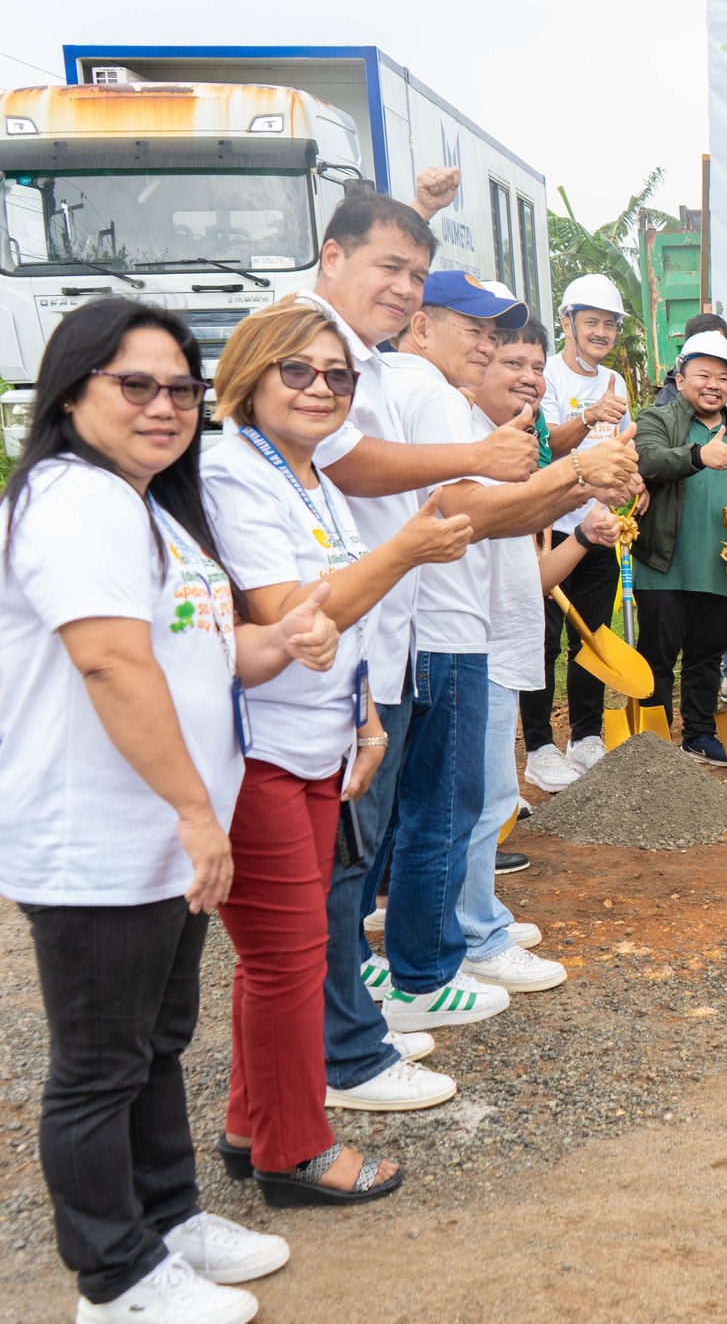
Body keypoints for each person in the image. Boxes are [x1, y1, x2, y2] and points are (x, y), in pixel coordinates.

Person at [1, 299, 330, 1320]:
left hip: (167, 838)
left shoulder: (143, 505)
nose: (164, 406)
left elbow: (196, 647)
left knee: (155, 1044)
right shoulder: (74, 501)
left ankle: (170, 1218)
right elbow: (107, 659)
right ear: (69, 392)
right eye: (134, 384)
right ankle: (114, 1277)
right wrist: (197, 811)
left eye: (180, 387)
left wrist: (282, 644)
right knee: (100, 1065)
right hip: (100, 832)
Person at [200, 302, 474, 1208]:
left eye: (338, 376)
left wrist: (363, 716)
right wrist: (403, 549)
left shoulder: (310, 477)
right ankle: (294, 1149)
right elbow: (291, 610)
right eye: (298, 371)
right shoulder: (231, 470)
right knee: (291, 954)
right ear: (247, 375)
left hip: (321, 742)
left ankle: (253, 1124)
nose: (322, 388)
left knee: (285, 950)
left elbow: (339, 616)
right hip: (260, 747)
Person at [301, 183, 535, 1115]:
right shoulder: (386, 378)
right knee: (395, 834)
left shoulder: (380, 371)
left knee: (369, 845)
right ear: (328, 259)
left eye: (415, 275)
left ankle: (354, 1025)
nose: (484, 344)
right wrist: (542, 474)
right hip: (375, 638)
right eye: (391, 272)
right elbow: (446, 502)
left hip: (388, 640)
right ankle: (369, 1022)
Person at [363, 272, 636, 1024]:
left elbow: (514, 533)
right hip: (446, 638)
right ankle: (446, 952)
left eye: (518, 354)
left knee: (457, 802)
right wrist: (577, 473)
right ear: (419, 327)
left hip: (474, 635)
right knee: (451, 806)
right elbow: (470, 515)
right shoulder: (433, 400)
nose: (499, 358)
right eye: (483, 340)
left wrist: (578, 510)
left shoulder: (478, 424)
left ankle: (453, 927)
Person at [460, 317, 622, 995]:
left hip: (502, 644)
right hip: (472, 648)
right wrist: (577, 474)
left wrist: (583, 529)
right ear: (476, 364)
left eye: (535, 366)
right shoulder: (471, 447)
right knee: (468, 799)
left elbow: (530, 575)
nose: (529, 377)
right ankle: (469, 937)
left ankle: (478, 918)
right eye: (513, 364)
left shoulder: (513, 449)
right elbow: (478, 521)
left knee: (492, 793)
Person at [633, 328, 727, 762]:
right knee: (657, 658)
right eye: (703, 375)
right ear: (680, 380)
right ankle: (654, 744)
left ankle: (698, 733)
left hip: (721, 569)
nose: (714, 385)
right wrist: (697, 456)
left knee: (705, 660)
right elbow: (647, 458)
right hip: (665, 566)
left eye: (723, 378)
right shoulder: (659, 419)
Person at [520, 273, 634, 791]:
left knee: (590, 635)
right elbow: (548, 446)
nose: (601, 332)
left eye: (609, 324)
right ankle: (540, 745)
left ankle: (586, 735)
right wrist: (589, 415)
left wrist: (633, 476)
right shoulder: (547, 379)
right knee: (542, 643)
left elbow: (623, 446)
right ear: (567, 322)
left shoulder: (619, 382)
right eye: (591, 322)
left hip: (601, 528)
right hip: (551, 530)